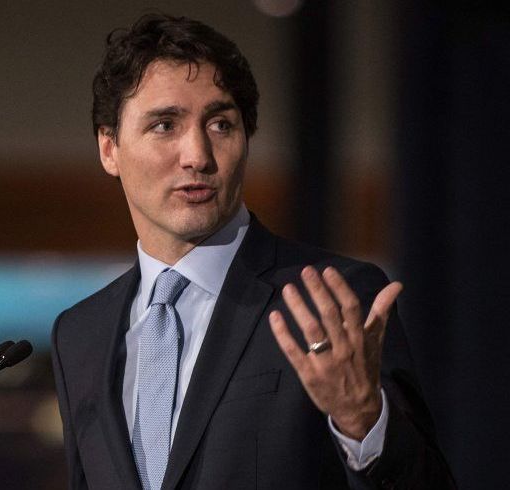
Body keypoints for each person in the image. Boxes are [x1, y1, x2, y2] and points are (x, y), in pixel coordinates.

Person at [51, 13, 455, 490]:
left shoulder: (330, 300)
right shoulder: (79, 335)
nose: (198, 155)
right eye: (164, 125)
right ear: (109, 148)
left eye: (221, 124)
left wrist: (364, 423)